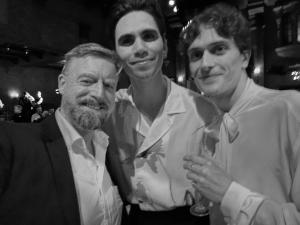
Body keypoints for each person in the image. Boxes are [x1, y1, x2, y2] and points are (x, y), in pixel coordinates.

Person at [181, 2, 300, 225]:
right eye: (196, 55)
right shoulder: (208, 120)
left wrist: (229, 193)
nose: (205, 64)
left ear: (245, 56)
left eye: (218, 49)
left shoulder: (290, 109)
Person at [104, 0, 219, 224]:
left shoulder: (203, 111)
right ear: (116, 55)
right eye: (127, 41)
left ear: (165, 46)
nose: (139, 48)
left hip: (191, 218)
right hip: (134, 218)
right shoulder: (108, 114)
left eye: (148, 36)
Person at [0, 43, 124, 225]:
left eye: (108, 85)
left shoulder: (109, 149)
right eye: (87, 81)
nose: (99, 93)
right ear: (62, 84)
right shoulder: (11, 142)